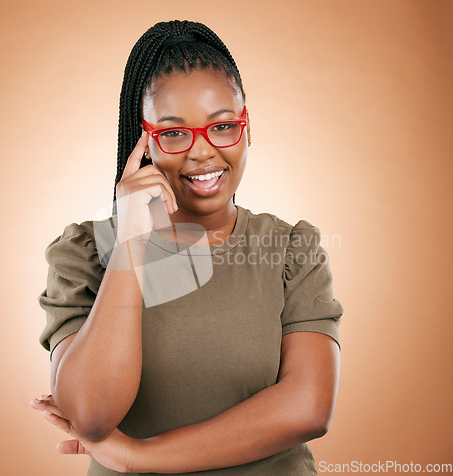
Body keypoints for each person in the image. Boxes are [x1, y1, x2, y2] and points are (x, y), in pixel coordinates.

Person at [30, 19, 344, 476]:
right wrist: (132, 243)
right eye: (173, 133)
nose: (202, 152)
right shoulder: (86, 252)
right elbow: (91, 415)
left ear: (247, 126)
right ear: (143, 140)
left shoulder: (291, 249)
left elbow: (308, 409)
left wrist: (140, 457)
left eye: (222, 127)